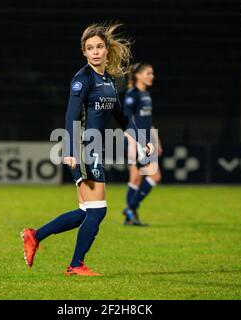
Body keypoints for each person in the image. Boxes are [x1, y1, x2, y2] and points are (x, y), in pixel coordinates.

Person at [21, 23, 154, 276]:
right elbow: (71, 114)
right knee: (98, 210)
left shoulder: (109, 81)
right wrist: (71, 150)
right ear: (84, 52)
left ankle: (34, 235)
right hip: (83, 147)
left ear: (107, 50)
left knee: (84, 212)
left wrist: (142, 138)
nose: (95, 52)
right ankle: (75, 265)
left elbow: (121, 117)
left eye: (99, 47)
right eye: (90, 48)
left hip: (93, 147)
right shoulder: (82, 79)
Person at [122, 62, 162, 226]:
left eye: (152, 73)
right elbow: (126, 120)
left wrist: (156, 140)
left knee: (136, 178)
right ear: (138, 75)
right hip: (137, 140)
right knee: (154, 175)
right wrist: (133, 143)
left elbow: (148, 121)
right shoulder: (133, 94)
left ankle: (129, 216)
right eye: (148, 73)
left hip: (146, 140)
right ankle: (131, 208)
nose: (152, 76)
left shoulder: (146, 95)